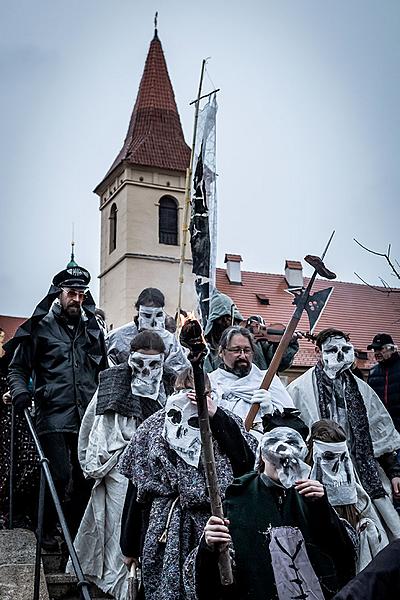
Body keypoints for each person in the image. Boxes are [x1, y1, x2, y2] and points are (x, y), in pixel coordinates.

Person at [118, 366, 257, 600]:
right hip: (165, 525)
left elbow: (246, 465)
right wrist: (129, 546)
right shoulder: (153, 428)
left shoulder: (225, 421)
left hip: (215, 522)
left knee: (214, 586)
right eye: (184, 392)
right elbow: (137, 488)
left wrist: (216, 417)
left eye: (198, 394)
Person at [184, 425, 356, 600]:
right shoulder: (239, 498)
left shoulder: (309, 496)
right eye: (276, 457)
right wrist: (209, 546)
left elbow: (342, 556)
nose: (283, 464)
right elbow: (220, 571)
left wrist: (322, 508)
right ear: (264, 456)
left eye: (290, 456)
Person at [7, 259, 107, 547]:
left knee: (85, 477)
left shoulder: (93, 328)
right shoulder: (40, 327)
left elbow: (103, 370)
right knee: (59, 473)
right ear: (58, 293)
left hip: (86, 416)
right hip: (51, 414)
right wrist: (20, 392)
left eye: (81, 294)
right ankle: (45, 528)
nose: (76, 299)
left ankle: (75, 534)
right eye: (71, 293)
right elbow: (17, 368)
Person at [67, 330, 166, 599]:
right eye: (140, 363)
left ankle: (139, 585)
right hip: (118, 469)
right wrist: (95, 461)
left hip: (155, 472)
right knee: (116, 526)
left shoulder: (166, 386)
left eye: (154, 364)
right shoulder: (112, 382)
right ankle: (119, 587)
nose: (146, 371)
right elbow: (92, 426)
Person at [287, 328, 400, 540]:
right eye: (331, 349)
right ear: (318, 352)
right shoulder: (299, 389)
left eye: (345, 349)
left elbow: (381, 432)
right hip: (319, 472)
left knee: (375, 529)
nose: (339, 354)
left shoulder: (361, 388)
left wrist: (394, 471)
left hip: (360, 469)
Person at [306, 419, 389, 571]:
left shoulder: (355, 490)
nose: (338, 467)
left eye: (343, 457)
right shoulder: (300, 490)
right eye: (330, 458)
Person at [208, 326, 295, 438]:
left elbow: (291, 426)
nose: (243, 356)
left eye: (247, 350)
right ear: (221, 352)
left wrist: (270, 411)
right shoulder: (210, 382)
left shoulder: (268, 380)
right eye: (236, 350)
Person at [106, 287, 189, 395]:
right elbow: (108, 370)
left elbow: (179, 372)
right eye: (147, 315)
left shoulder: (169, 341)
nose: (153, 323)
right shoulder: (118, 337)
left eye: (158, 315)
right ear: (139, 312)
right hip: (122, 393)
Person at [203, 289, 244, 372]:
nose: (225, 322)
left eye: (228, 318)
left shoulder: (249, 343)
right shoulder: (208, 352)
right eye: (221, 319)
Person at [367, 333, 400, 432]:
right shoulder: (373, 372)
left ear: (391, 349)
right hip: (383, 427)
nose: (376, 353)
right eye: (374, 350)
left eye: (380, 349)